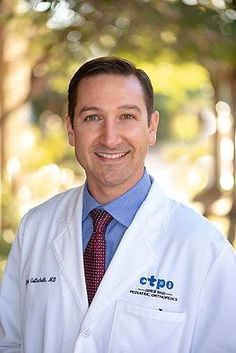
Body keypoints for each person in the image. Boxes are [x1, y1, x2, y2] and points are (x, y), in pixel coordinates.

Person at [0, 57, 236, 353]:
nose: (110, 138)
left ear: (151, 127)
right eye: (92, 117)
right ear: (71, 129)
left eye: (127, 116)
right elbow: (9, 342)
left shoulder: (205, 250)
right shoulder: (35, 227)